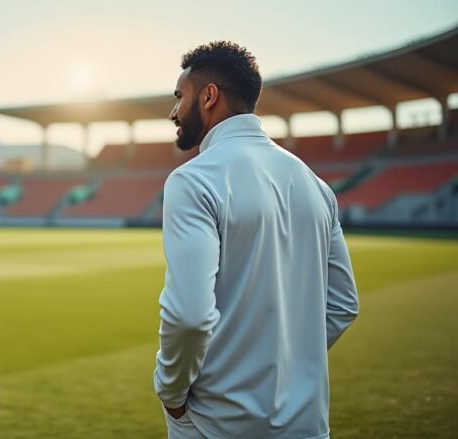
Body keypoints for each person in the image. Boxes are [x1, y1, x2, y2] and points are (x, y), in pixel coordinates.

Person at [154, 41, 359, 439]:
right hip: (308, 423)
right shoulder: (316, 185)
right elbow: (343, 304)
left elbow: (190, 317)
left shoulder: (192, 179)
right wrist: (290, 364)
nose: (173, 111)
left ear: (209, 96)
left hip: (216, 422)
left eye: (180, 97)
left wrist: (171, 390)